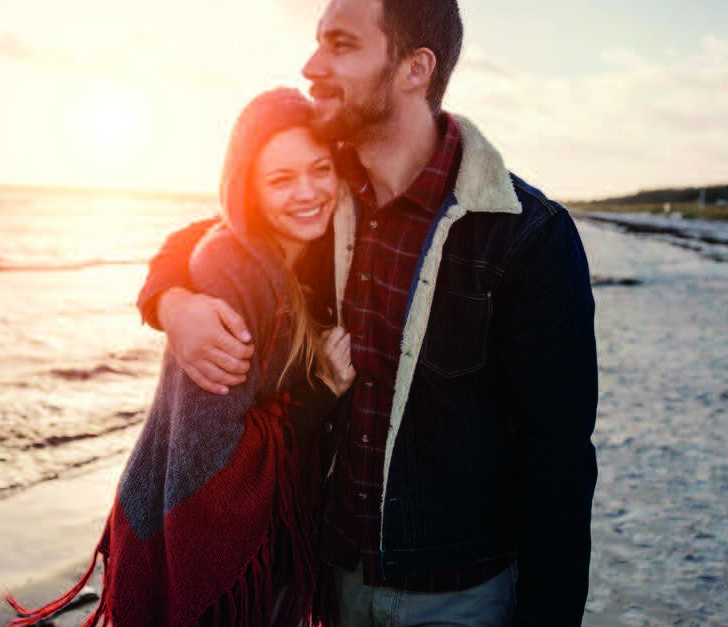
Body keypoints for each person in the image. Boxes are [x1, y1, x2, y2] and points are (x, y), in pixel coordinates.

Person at [137, 0, 599, 625]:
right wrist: (173, 302)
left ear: (415, 67)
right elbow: (217, 231)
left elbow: (559, 457)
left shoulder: (526, 235)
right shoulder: (322, 200)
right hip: (329, 587)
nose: (311, 64)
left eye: (340, 45)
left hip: (459, 598)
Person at [7, 88, 356, 626]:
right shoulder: (233, 269)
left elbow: (182, 238)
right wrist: (321, 390)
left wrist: (167, 298)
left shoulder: (316, 249)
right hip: (210, 555)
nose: (308, 192)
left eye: (321, 169)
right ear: (249, 191)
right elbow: (213, 458)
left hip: (280, 542)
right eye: (281, 179)